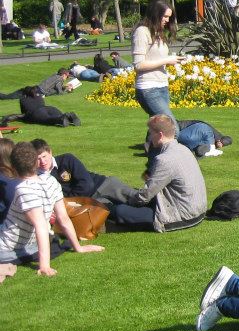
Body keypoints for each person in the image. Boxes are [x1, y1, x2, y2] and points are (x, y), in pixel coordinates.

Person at [0, 141, 104, 275]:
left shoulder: (24, 189)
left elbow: (41, 225)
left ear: (13, 167)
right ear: (36, 163)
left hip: (9, 247)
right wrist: (78, 247)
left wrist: (44, 266)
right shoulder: (51, 181)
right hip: (32, 244)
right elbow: (63, 218)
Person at [110, 115, 207, 232]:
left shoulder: (165, 159)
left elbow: (146, 195)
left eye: (151, 133)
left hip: (182, 216)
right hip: (198, 210)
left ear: (160, 135)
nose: (150, 138)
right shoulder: (184, 149)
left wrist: (129, 203)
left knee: (119, 211)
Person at [132, 0, 184, 139]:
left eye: (169, 17)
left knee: (157, 127)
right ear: (156, 14)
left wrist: (170, 61)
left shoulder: (158, 32)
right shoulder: (142, 32)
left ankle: (151, 148)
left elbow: (155, 58)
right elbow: (138, 65)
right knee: (172, 129)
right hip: (148, 88)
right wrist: (166, 60)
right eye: (165, 16)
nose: (167, 20)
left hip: (161, 86)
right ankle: (170, 151)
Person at [32, 139, 137, 204]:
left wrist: (68, 200)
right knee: (121, 212)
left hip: (104, 185)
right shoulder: (37, 178)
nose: (43, 161)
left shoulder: (67, 159)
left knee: (138, 198)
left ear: (50, 152)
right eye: (38, 159)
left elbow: (87, 184)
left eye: (44, 156)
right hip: (89, 202)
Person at [0, 68, 76, 101]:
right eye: (67, 76)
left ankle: (2, 95)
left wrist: (64, 86)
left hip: (35, 88)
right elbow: (59, 92)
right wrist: (67, 90)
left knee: (17, 93)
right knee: (13, 97)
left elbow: (54, 86)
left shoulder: (55, 75)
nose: (67, 77)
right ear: (63, 75)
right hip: (38, 92)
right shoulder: (60, 79)